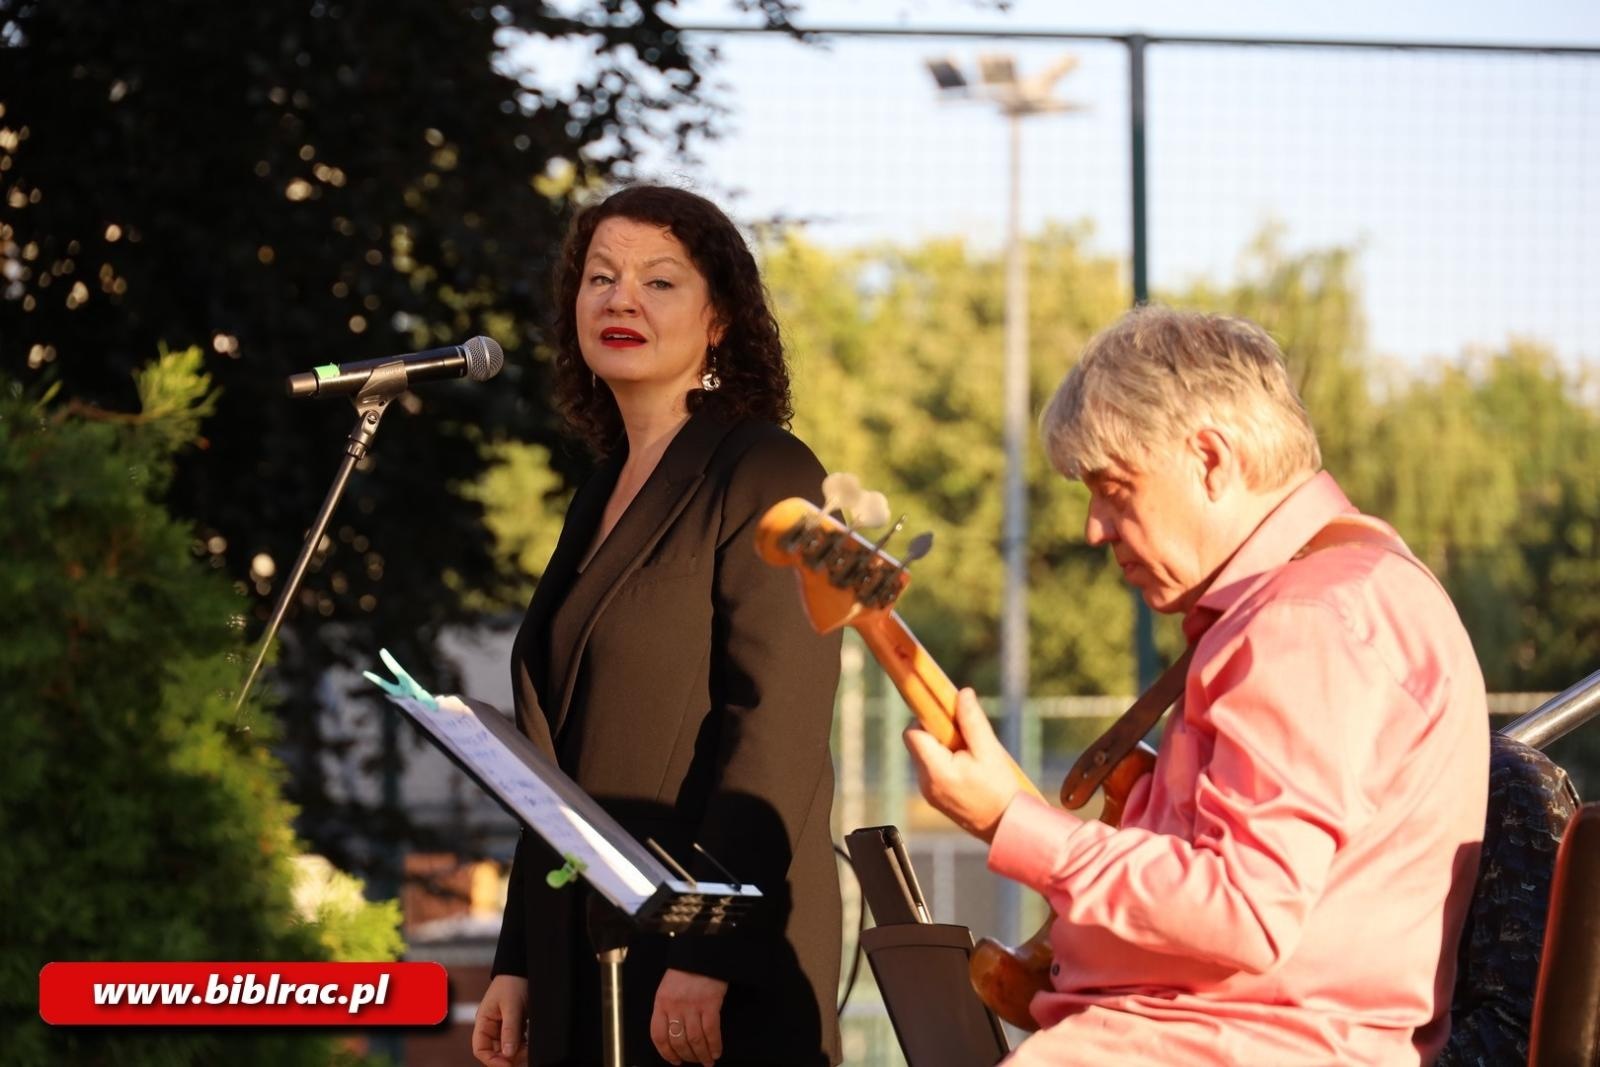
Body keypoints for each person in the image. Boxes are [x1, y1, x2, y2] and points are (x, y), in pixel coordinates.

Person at [905, 305, 1489, 1065]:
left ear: (1211, 460)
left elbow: (1246, 907)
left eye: (1114, 488)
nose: (1093, 528)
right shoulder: (1332, 594)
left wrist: (1010, 823)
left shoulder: (1306, 621)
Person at [472, 185, 844, 1067]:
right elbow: (557, 759)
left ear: (720, 320)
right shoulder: (598, 492)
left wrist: (711, 944)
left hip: (708, 957)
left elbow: (779, 727)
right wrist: (519, 955)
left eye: (660, 281)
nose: (621, 299)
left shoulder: (773, 468)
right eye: (600, 277)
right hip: (587, 942)